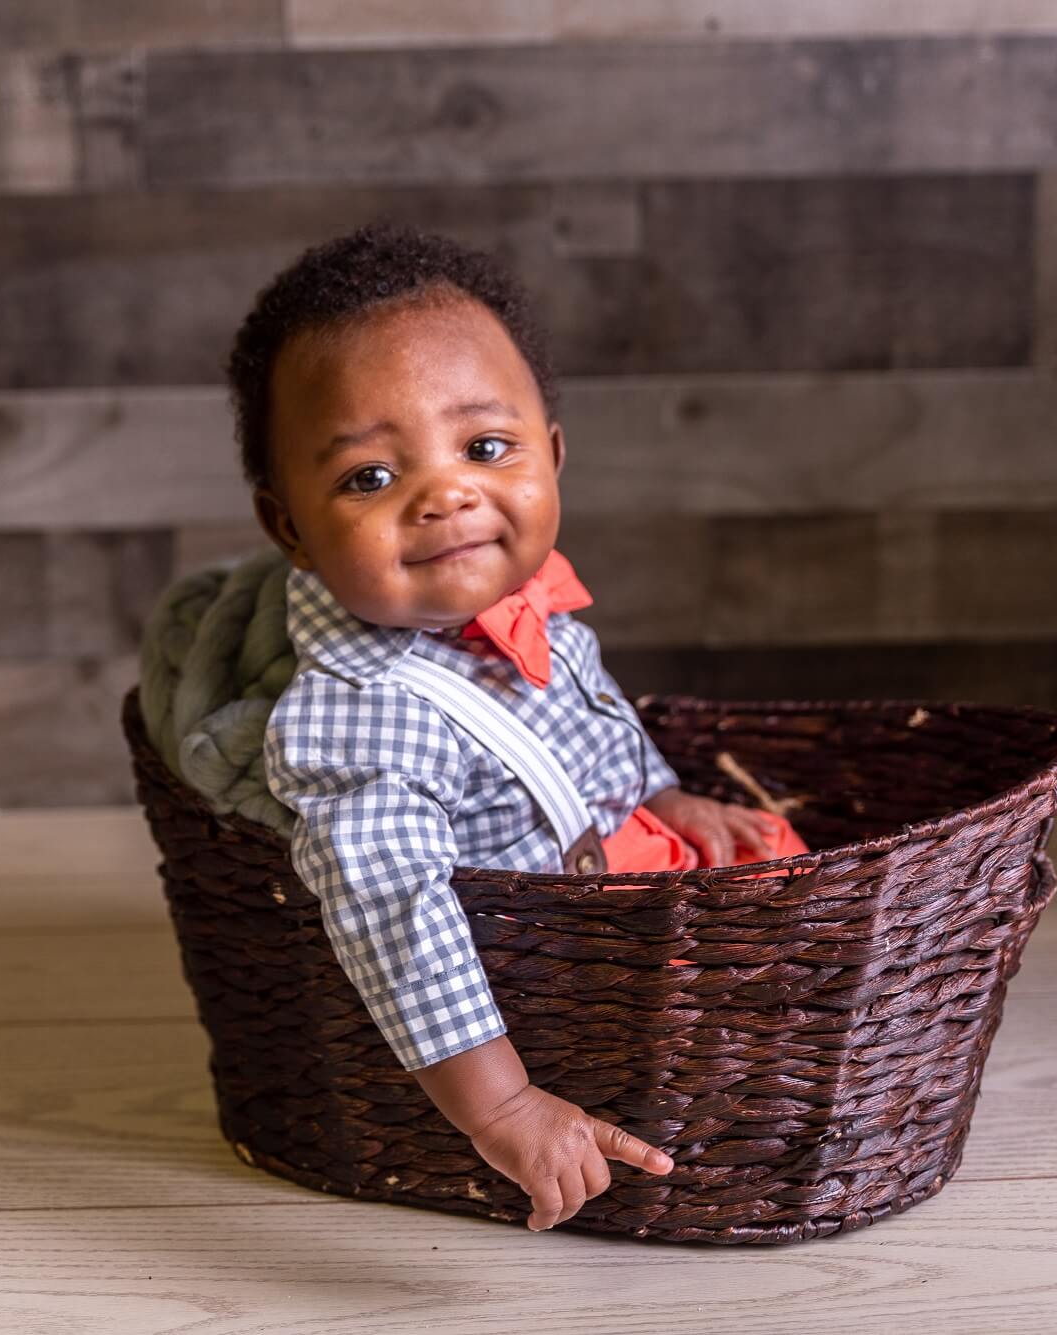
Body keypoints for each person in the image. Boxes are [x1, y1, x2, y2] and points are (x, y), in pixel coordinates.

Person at [237, 220, 809, 1232]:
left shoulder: (522, 605)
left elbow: (585, 722)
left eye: (485, 447)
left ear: (550, 455)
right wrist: (500, 1104)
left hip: (613, 873)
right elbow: (394, 917)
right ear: (289, 526)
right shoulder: (363, 720)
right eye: (368, 477)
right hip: (542, 994)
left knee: (787, 877)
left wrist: (658, 792)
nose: (444, 492)